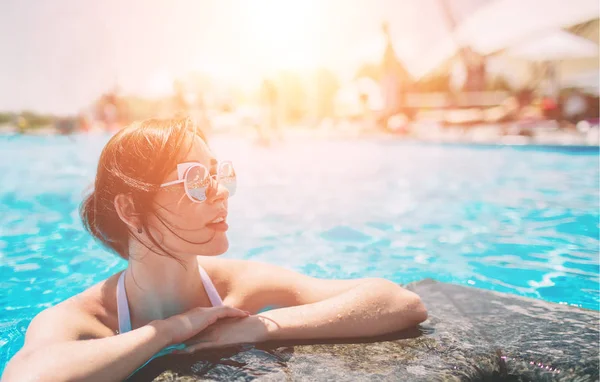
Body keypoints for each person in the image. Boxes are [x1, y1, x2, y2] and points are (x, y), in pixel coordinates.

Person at [3, 117, 427, 381]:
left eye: (218, 175)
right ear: (131, 209)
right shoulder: (83, 319)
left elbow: (398, 301)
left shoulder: (239, 287)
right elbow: (30, 377)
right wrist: (170, 331)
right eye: (195, 181)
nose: (221, 193)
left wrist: (257, 328)